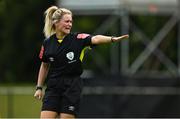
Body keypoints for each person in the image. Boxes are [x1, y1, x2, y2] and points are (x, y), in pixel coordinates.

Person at [34, 5, 129, 118]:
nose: (70, 24)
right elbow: (44, 65)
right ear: (56, 22)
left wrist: (112, 39)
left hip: (71, 87)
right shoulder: (48, 43)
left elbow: (96, 38)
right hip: (53, 87)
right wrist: (39, 87)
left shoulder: (78, 39)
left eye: (71, 21)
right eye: (66, 21)